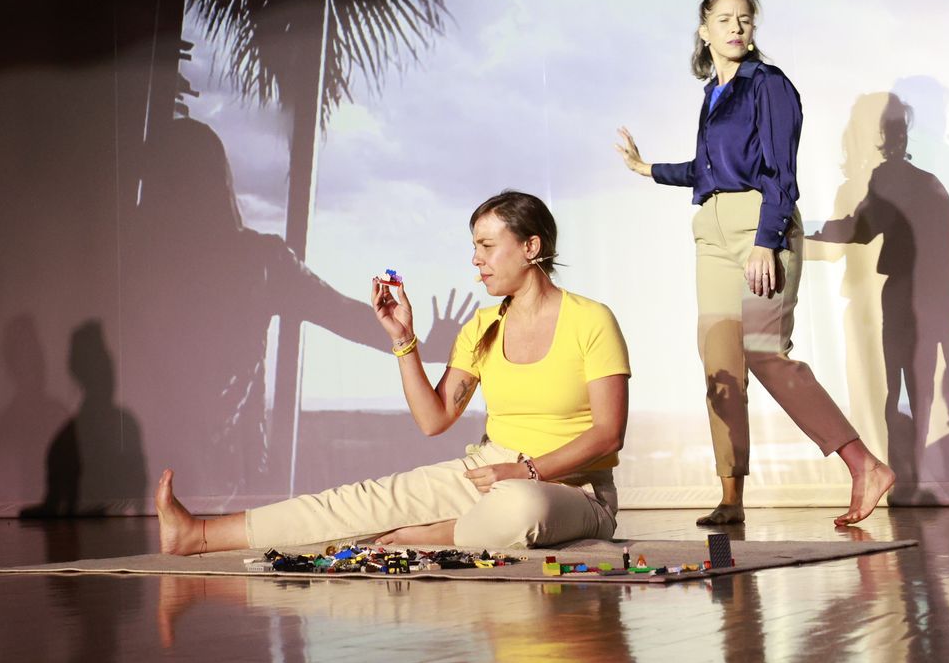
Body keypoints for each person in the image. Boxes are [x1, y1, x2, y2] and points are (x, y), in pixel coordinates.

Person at [155, 191, 630, 554]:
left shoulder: (591, 320)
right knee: (364, 500)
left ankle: (435, 534)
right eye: (474, 247)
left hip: (572, 488)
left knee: (523, 507)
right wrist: (404, 339)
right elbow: (433, 419)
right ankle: (197, 534)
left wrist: (527, 471)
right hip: (490, 470)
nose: (476, 259)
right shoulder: (483, 326)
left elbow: (608, 434)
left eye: (487, 246)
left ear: (531, 246)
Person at [615, 0, 892, 527]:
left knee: (765, 353)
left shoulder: (769, 85)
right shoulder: (713, 94)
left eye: (744, 19)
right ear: (704, 31)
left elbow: (780, 172)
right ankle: (730, 498)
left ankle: (864, 464)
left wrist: (767, 240)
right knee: (720, 366)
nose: (736, 28)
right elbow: (707, 170)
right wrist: (648, 169)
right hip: (712, 234)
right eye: (724, 19)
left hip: (760, 225)